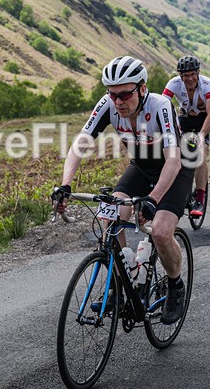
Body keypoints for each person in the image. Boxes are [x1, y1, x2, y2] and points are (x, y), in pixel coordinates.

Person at [54, 55, 193, 324]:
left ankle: (175, 285)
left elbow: (174, 161)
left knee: (162, 231)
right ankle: (121, 283)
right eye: (113, 94)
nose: (118, 102)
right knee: (108, 218)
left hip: (176, 168)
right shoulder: (108, 105)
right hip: (141, 166)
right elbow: (79, 145)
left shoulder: (160, 105)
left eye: (125, 94)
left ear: (142, 89)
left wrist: (153, 199)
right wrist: (65, 184)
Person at [161, 55, 210, 216]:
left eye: (193, 74)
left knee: (200, 154)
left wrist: (201, 136)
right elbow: (162, 105)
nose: (190, 78)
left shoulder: (208, 84)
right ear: (180, 76)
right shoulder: (174, 84)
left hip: (205, 118)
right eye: (186, 75)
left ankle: (200, 197)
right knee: (176, 151)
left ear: (198, 72)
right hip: (185, 117)